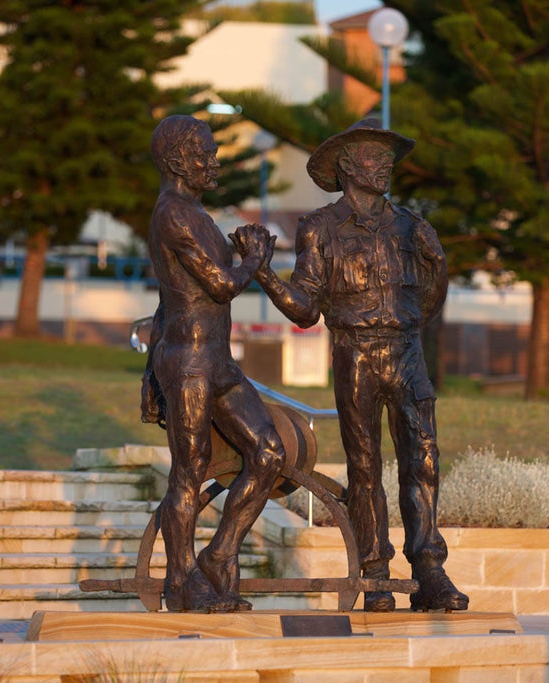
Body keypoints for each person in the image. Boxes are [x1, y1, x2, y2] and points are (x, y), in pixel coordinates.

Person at [234, 118, 468, 612]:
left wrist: (437, 267)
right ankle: (375, 573)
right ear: (345, 167)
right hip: (354, 353)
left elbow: (431, 297)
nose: (383, 165)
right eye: (371, 157)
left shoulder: (411, 225)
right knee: (365, 470)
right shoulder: (319, 228)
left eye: (387, 158)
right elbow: (305, 309)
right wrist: (263, 276)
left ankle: (429, 570)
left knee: (423, 459)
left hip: (406, 351)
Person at [142, 114, 284, 613]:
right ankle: (180, 581)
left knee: (269, 452)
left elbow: (170, 296)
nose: (214, 161)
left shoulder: (195, 214)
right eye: (204, 152)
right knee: (190, 470)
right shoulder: (173, 215)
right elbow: (221, 285)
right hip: (188, 361)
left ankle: (220, 554)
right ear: (179, 160)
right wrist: (255, 258)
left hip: (216, 360)